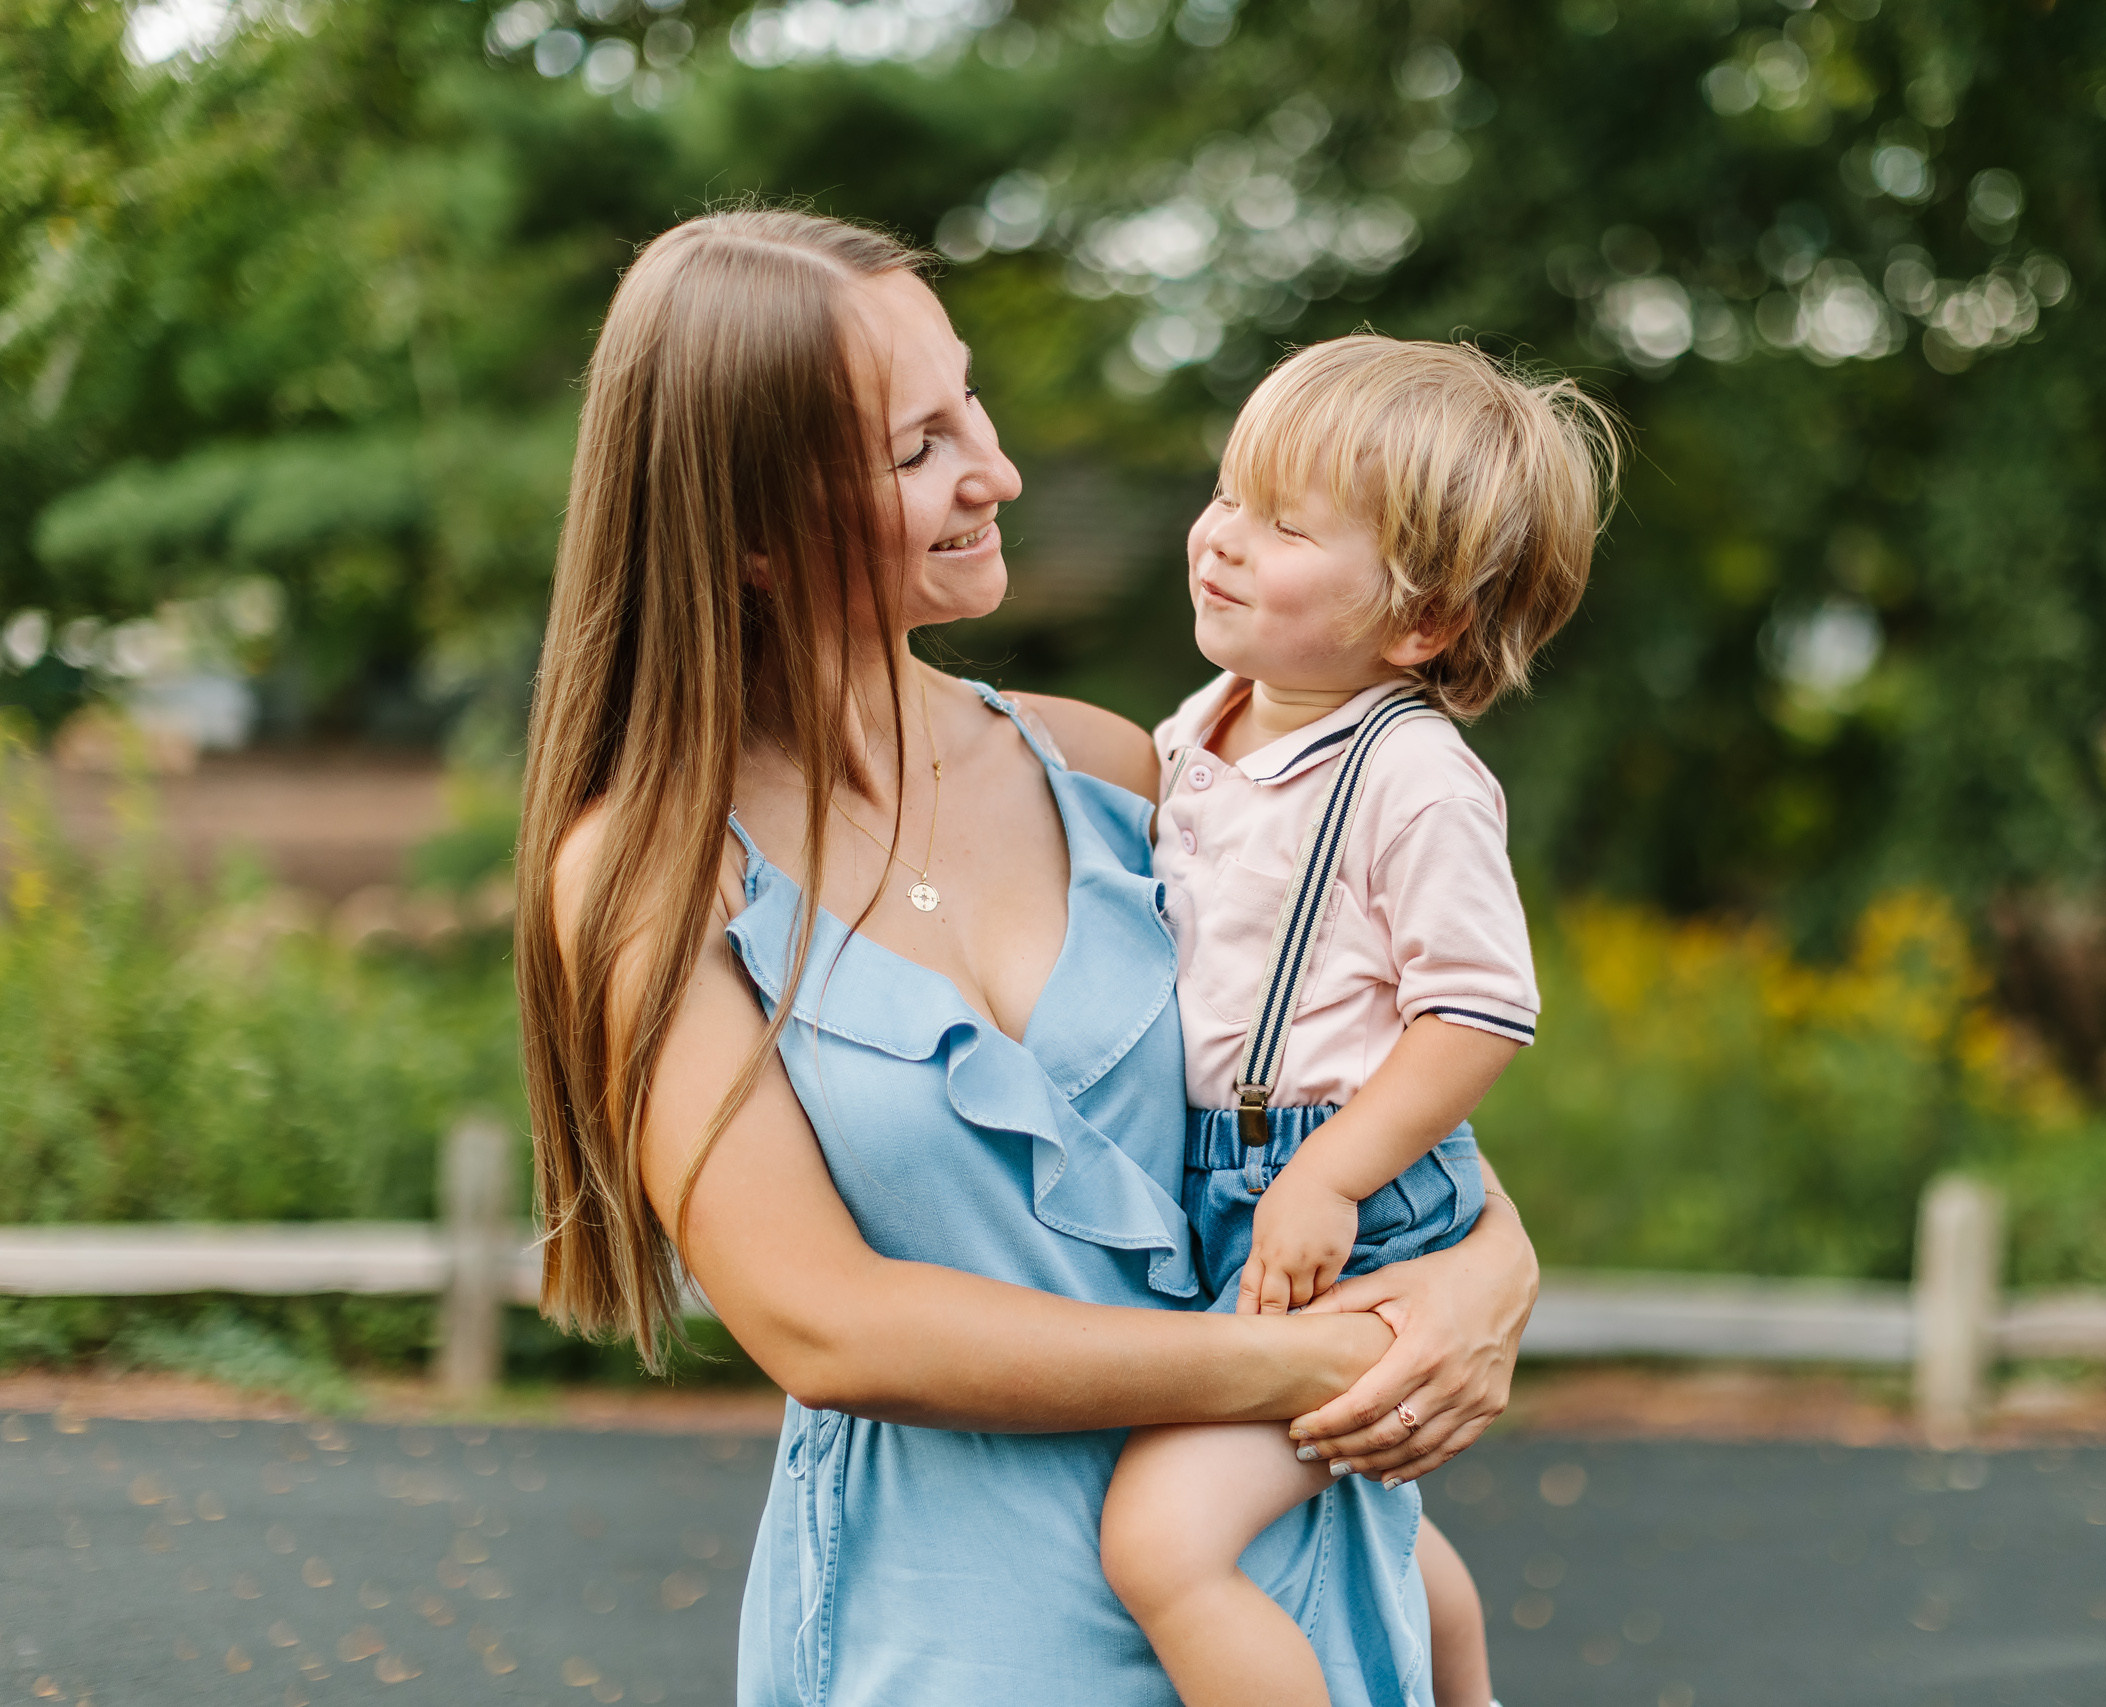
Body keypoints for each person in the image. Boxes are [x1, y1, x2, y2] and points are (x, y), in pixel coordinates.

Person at [511, 208, 1544, 1707]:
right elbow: (826, 1325)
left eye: (969, 404)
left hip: (1283, 1604)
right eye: (914, 446)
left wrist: (1490, 1278)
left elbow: (1327, 1087)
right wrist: (1308, 1369)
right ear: (744, 525)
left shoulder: (1116, 770)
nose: (992, 470)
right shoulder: (645, 875)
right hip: (948, 1638)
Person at [1097, 338, 1617, 1707]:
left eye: (1282, 525)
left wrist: (1329, 1176)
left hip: (1337, 1197)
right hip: (1223, 1182)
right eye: (1226, 496)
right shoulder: (1191, 737)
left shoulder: (1414, 776)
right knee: (1354, 1512)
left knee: (1165, 1537)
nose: (1219, 540)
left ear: (1423, 623)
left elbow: (1480, 1013)